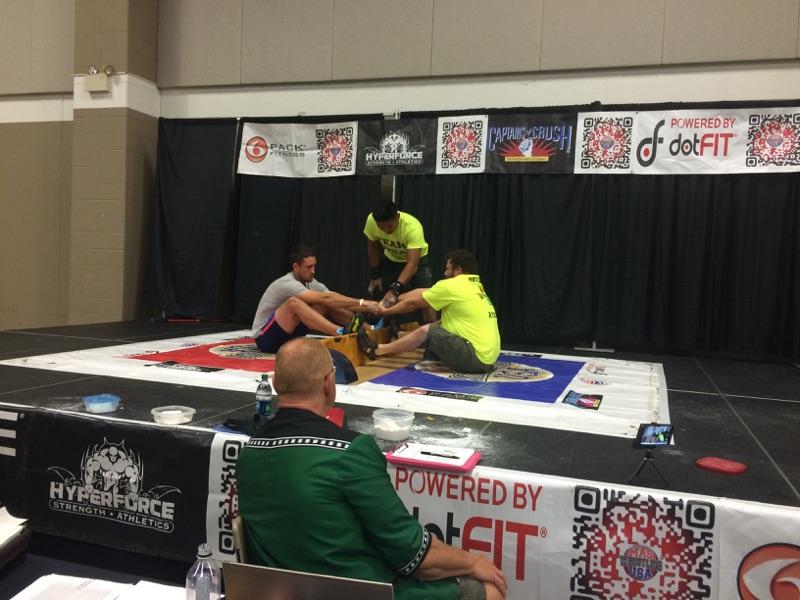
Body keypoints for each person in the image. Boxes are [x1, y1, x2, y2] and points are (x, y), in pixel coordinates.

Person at [236, 338, 507, 600]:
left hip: (277, 592)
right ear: (328, 384)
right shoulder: (350, 452)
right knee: (489, 591)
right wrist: (473, 562)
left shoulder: (249, 451)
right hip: (356, 592)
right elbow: (414, 555)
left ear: (275, 384)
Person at [358, 249, 500, 374]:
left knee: (429, 330)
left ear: (458, 269)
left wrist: (384, 311)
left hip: (476, 359)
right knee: (441, 324)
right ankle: (400, 336)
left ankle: (378, 350)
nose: (444, 273)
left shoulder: (451, 285)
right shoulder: (474, 286)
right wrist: (390, 300)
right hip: (488, 360)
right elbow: (422, 292)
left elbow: (413, 303)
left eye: (447, 269)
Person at [251, 245, 378, 353]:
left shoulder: (311, 282)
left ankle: (369, 329)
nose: (313, 271)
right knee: (294, 303)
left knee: (329, 303)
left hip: (289, 336)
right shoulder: (287, 283)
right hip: (265, 339)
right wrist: (363, 303)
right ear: (296, 267)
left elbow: (335, 300)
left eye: (314, 266)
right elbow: (326, 297)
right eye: (308, 267)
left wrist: (372, 307)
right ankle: (341, 333)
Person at [364, 199, 436, 322]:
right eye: (381, 227)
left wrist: (395, 289)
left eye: (389, 226)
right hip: (391, 260)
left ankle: (432, 331)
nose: (386, 231)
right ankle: (388, 329)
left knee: (426, 299)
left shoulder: (412, 227)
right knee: (384, 298)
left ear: (397, 217)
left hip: (417, 262)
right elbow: (372, 246)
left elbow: (412, 264)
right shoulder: (371, 220)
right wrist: (375, 273)